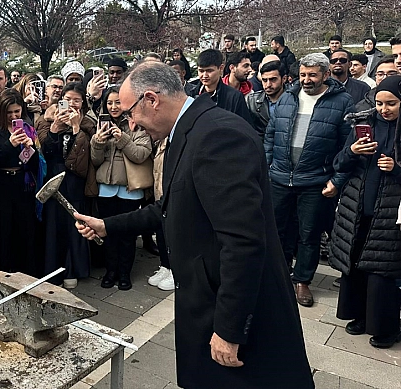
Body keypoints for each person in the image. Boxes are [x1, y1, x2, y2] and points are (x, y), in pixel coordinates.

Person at [74, 61, 313, 388]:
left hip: (238, 314)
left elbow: (243, 242)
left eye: (131, 112)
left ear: (152, 100)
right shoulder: (184, 132)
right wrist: (108, 226)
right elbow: (170, 206)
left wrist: (229, 330)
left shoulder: (218, 136)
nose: (131, 123)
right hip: (204, 297)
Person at [264, 53, 355, 307]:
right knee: (278, 232)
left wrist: (337, 179)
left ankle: (302, 281)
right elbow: (271, 134)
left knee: (309, 234)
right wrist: (268, 164)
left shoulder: (342, 102)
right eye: (303, 74)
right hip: (280, 178)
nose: (306, 80)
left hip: (315, 181)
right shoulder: (288, 98)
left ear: (325, 75)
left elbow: (347, 146)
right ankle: (280, 276)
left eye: (312, 75)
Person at [328, 76, 401, 349]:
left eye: (392, 104)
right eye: (380, 103)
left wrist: (395, 168)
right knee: (355, 263)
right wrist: (353, 150)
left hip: (390, 211)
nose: (385, 109)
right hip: (357, 206)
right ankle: (358, 316)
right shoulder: (363, 123)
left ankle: (386, 328)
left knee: (381, 271)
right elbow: (340, 162)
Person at [90, 86, 151, 290]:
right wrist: (97, 143)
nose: (114, 106)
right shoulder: (100, 125)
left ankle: (125, 273)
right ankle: (110, 271)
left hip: (130, 189)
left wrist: (122, 138)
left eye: (118, 102)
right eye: (109, 103)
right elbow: (95, 161)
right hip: (106, 189)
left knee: (127, 235)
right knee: (107, 233)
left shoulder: (138, 124)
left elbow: (141, 155)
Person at [36, 83, 96, 289]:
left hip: (75, 179)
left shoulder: (88, 124)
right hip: (54, 177)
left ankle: (73, 269)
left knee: (75, 223)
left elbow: (84, 155)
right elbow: (46, 151)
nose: (72, 104)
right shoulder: (47, 119)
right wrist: (54, 129)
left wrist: (77, 127)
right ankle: (53, 269)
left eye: (77, 100)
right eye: (68, 99)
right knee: (53, 223)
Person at [0, 89, 42, 276]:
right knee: (4, 231)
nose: (13, 116)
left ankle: (25, 271)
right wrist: (10, 145)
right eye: (9, 112)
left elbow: (35, 165)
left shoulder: (27, 127)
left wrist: (30, 148)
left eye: (17, 112)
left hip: (23, 186)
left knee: (25, 231)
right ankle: (3, 271)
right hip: (1, 185)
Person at [187, 49, 254, 125]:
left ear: (221, 68)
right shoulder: (190, 95)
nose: (205, 76)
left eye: (209, 71)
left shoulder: (235, 97)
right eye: (201, 71)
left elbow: (245, 127)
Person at [246, 60, 287, 138]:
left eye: (273, 79)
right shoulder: (252, 101)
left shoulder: (294, 101)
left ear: (284, 79)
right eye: (264, 80)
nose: (268, 85)